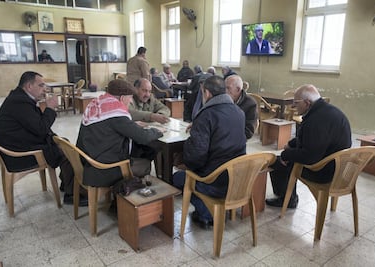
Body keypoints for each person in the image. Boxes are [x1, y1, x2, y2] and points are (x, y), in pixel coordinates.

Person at [0, 71, 85, 206]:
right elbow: (41, 129)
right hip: (19, 155)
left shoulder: (20, 98)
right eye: (41, 85)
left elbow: (36, 125)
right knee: (66, 151)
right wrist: (49, 108)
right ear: (29, 86)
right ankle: (71, 194)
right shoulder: (20, 103)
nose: (45, 89)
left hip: (20, 144)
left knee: (63, 142)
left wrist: (55, 138)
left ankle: (66, 183)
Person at [173, 76, 247, 229]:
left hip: (214, 180)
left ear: (206, 93)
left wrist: (186, 150)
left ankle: (206, 213)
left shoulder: (206, 115)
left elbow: (196, 157)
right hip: (237, 176)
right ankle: (209, 209)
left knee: (177, 178)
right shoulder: (239, 112)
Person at [266, 84, 352, 209]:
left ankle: (287, 199)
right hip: (340, 168)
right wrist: (291, 144)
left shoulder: (315, 121)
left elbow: (309, 156)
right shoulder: (329, 111)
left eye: (296, 102)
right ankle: (288, 196)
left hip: (324, 172)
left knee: (277, 162)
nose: (293, 106)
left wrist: (286, 155)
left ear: (307, 103)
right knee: (287, 156)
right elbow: (311, 138)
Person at [76, 79, 163, 184]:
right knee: (145, 164)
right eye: (130, 98)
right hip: (103, 169)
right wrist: (157, 131)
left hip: (89, 159)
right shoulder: (116, 113)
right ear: (122, 98)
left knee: (143, 150)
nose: (131, 101)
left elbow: (109, 126)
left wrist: (132, 125)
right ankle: (127, 190)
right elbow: (143, 137)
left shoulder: (97, 104)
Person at [225, 75, 257, 139]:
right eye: (224, 88)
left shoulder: (250, 104)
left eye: (228, 88)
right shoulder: (223, 99)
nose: (225, 91)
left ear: (238, 89)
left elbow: (248, 132)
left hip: (236, 140)